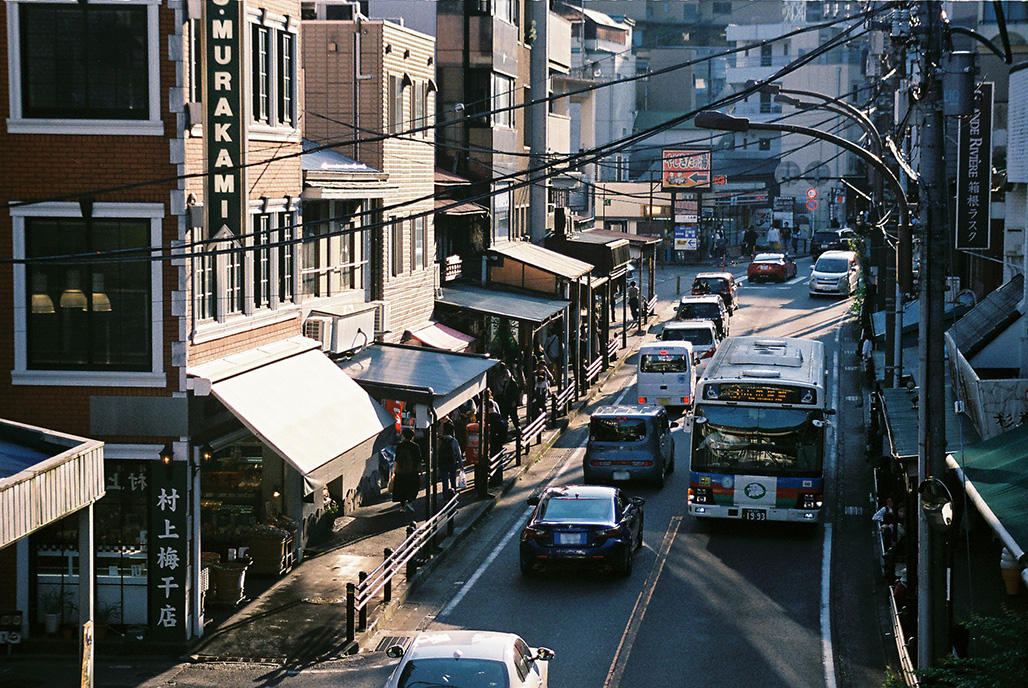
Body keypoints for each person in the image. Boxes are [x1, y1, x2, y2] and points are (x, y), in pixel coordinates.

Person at [392, 427, 422, 513]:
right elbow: (418, 459)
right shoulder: (415, 446)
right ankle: (410, 501)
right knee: (413, 486)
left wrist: (396, 469)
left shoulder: (400, 445)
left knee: (402, 487)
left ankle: (402, 506)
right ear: (412, 436)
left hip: (401, 470)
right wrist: (420, 469)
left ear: (404, 436)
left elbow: (396, 458)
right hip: (412, 470)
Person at [437, 420, 463, 495]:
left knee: (444, 481)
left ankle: (445, 496)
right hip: (452, 462)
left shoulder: (440, 440)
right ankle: (453, 494)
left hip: (442, 462)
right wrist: (461, 464)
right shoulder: (454, 441)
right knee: (453, 480)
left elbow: (437, 452)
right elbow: (458, 453)